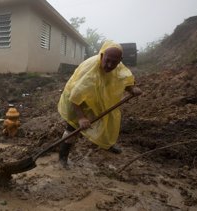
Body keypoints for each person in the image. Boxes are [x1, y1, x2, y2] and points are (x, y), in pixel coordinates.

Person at [57, 40, 142, 168]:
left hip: (96, 99)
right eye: (107, 60)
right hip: (75, 102)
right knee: (72, 130)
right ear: (101, 55)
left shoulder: (118, 67)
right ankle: (62, 157)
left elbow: (124, 80)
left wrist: (132, 89)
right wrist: (81, 117)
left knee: (109, 122)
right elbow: (75, 97)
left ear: (120, 60)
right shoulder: (90, 71)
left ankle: (107, 144)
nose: (109, 65)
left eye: (114, 62)